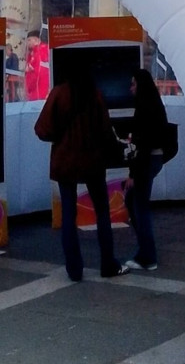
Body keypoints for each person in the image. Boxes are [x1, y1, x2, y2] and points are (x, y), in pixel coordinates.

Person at [34, 70, 126, 282]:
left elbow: (42, 129)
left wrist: (61, 136)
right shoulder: (95, 95)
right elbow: (106, 130)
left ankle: (74, 270)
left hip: (65, 162)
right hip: (93, 162)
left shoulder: (59, 94)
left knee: (68, 215)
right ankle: (108, 263)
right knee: (102, 212)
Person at [122, 67, 173, 272]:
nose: (131, 88)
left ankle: (148, 256)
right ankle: (145, 250)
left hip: (146, 161)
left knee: (139, 206)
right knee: (133, 201)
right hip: (153, 159)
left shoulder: (144, 107)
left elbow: (143, 145)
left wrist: (133, 174)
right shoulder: (154, 104)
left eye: (133, 84)